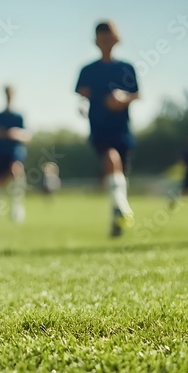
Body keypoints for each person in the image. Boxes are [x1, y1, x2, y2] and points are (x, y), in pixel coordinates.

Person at [74, 20, 140, 237]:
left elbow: (136, 94)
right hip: (100, 128)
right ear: (96, 41)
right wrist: (82, 108)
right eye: (101, 39)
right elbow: (82, 96)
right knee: (112, 159)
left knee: (118, 172)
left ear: (116, 39)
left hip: (122, 129)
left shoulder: (126, 68)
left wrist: (123, 98)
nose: (105, 43)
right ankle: (123, 207)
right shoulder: (88, 71)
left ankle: (117, 215)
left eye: (109, 38)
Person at [0, 86, 31, 223]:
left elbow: (27, 135)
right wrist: (3, 134)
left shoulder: (18, 116)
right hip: (0, 151)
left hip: (15, 152)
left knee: (16, 174)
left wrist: (16, 133)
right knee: (0, 181)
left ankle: (16, 210)